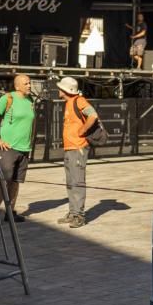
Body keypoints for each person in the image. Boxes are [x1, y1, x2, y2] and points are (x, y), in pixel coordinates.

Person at [0, 73, 35, 223]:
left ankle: (10, 213)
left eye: (29, 83)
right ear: (17, 86)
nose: (29, 85)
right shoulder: (8, 98)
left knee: (16, 181)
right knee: (5, 180)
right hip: (9, 147)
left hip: (24, 148)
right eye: (26, 83)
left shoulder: (30, 100)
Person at [56, 76, 99, 229]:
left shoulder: (78, 100)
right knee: (70, 182)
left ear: (65, 90)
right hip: (70, 147)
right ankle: (73, 212)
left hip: (78, 147)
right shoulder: (69, 103)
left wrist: (83, 130)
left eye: (60, 88)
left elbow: (93, 115)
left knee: (77, 182)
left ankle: (79, 215)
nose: (58, 90)